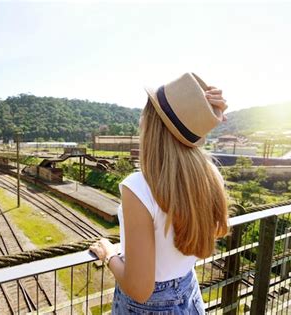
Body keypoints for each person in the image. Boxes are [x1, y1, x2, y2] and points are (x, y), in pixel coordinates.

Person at [89, 73, 229, 314]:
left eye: (146, 111)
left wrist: (109, 254)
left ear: (152, 126)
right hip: (189, 295)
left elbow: (140, 289)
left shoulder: (139, 187)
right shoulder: (209, 176)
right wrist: (201, 118)